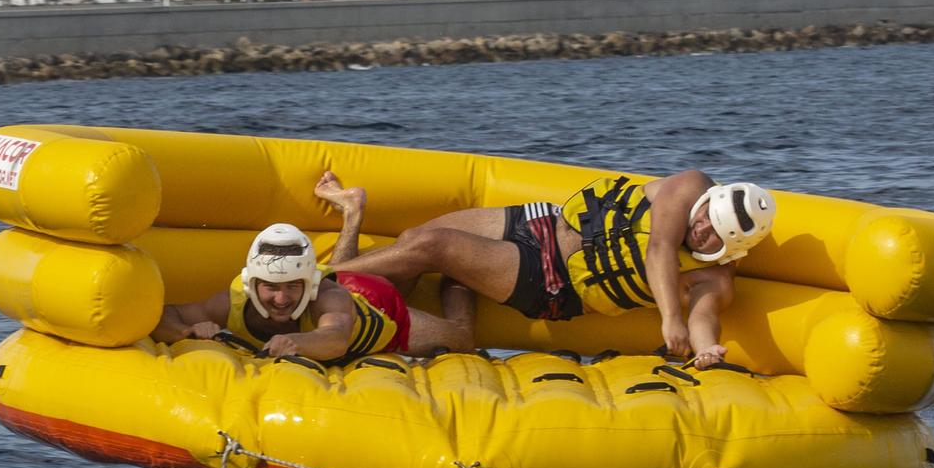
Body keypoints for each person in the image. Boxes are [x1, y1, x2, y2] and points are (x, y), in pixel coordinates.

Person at [329, 170, 775, 369]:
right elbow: (658, 245)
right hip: (539, 222)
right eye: (704, 216)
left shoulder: (715, 279)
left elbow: (704, 317)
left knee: (431, 245)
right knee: (411, 240)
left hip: (550, 282)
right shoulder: (690, 187)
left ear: (731, 247)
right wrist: (668, 317)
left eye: (711, 233)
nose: (698, 228)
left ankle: (320, 280)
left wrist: (706, 349)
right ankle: (352, 237)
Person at [149, 174, 473, 364]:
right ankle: (352, 211)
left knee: (460, 337)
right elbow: (163, 314)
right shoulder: (233, 302)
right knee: (338, 272)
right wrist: (186, 333)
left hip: (379, 306)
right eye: (271, 287)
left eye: (292, 287)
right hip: (339, 275)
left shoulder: (327, 297)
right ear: (252, 282)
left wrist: (297, 344)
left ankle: (459, 271)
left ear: (309, 284)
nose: (280, 298)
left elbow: (335, 338)